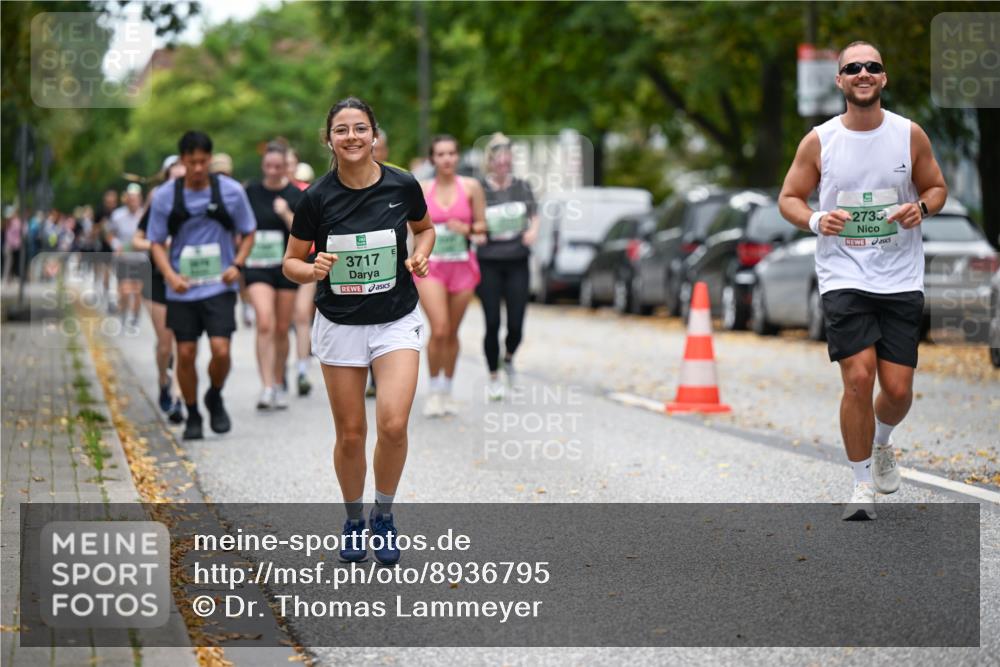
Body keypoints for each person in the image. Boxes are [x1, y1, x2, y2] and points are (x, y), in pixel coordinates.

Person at [778, 41, 947, 521]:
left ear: (884, 78)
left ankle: (882, 443)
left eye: (872, 66)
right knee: (858, 377)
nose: (863, 73)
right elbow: (789, 196)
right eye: (853, 68)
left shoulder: (908, 135)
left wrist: (922, 208)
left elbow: (936, 186)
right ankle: (860, 486)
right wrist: (815, 220)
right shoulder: (820, 140)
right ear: (840, 81)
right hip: (843, 273)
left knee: (896, 390)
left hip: (899, 275)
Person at [283, 97, 433, 565]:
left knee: (392, 422)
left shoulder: (402, 184)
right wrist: (312, 270)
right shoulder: (316, 198)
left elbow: (425, 229)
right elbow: (289, 262)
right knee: (351, 434)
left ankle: (383, 516)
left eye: (360, 128)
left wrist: (421, 253)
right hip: (340, 324)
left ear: (374, 135)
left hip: (395, 319)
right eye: (342, 130)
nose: (352, 137)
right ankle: (353, 519)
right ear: (329, 139)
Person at [147, 131, 257, 441]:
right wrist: (170, 276)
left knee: (221, 351)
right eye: (191, 162)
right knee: (185, 353)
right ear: (182, 161)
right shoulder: (167, 195)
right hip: (182, 288)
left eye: (203, 162)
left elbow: (249, 231)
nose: (197, 168)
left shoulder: (231, 192)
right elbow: (155, 242)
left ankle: (215, 395)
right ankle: (193, 412)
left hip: (219, 285)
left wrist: (237, 265)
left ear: (210, 159)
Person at [415, 135, 486, 417]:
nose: (446, 159)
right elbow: (414, 228)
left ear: (457, 157)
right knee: (440, 328)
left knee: (453, 332)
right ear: (432, 159)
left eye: (451, 153)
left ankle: (447, 389)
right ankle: (433, 391)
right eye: (440, 154)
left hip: (462, 267)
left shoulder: (471, 187)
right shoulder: (422, 189)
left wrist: (466, 229)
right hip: (431, 267)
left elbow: (482, 226)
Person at [476, 132, 540, 401]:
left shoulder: (522, 187)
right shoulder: (480, 189)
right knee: (492, 322)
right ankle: (493, 377)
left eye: (507, 159)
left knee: (516, 323)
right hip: (489, 261)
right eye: (498, 159)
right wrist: (475, 231)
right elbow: (470, 219)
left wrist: (533, 231)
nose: (503, 164)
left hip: (517, 260)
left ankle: (509, 357)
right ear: (490, 162)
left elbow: (534, 216)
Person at [244, 142, 303, 409]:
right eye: (269, 166)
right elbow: (240, 227)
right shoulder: (251, 192)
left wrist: (285, 213)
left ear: (285, 166)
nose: (273, 171)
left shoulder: (294, 194)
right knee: (265, 322)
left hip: (285, 266)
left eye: (278, 166)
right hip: (256, 266)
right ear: (263, 166)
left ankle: (279, 381)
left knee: (281, 328)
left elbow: (303, 234)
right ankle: (266, 386)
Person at [133, 155, 187, 424]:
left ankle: (178, 397)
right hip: (157, 277)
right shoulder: (158, 201)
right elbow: (137, 239)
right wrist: (158, 243)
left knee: (180, 341)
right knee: (165, 344)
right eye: (174, 176)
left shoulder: (197, 201)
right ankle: (163, 381)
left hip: (185, 278)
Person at [290, 154, 317, 396]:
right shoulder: (265, 193)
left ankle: (302, 370)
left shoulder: (308, 193)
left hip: (306, 259)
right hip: (271, 267)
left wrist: (283, 215)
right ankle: (275, 380)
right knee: (276, 325)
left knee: (301, 315)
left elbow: (304, 229)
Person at [107, 183, 146, 327]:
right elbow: (110, 235)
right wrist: (117, 246)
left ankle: (135, 317)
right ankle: (123, 314)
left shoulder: (144, 215)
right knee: (124, 290)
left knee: (137, 291)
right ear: (126, 199)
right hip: (124, 258)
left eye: (135, 198)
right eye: (130, 198)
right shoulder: (118, 215)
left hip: (141, 258)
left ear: (140, 199)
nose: (133, 201)